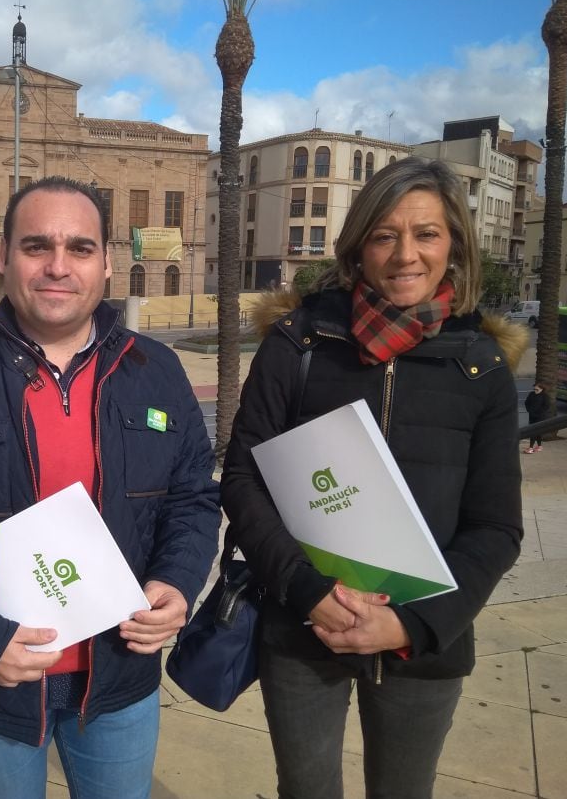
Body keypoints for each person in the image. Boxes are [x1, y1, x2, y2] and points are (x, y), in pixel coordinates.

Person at [0, 176, 220, 799]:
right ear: (3, 257)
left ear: (107, 263)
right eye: (35, 246)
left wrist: (178, 581)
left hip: (118, 675)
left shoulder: (154, 370)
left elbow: (193, 497)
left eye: (79, 248)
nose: (58, 266)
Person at [221, 157, 526, 799]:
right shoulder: (299, 343)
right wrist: (307, 591)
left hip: (425, 638)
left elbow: (495, 528)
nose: (405, 255)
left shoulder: (481, 366)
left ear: (455, 246)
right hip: (304, 626)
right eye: (385, 235)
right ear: (358, 247)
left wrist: (410, 624)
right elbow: (245, 480)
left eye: (427, 234)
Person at [524, 383, 549, 453]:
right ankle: (539, 446)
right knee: (537, 432)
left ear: (541, 389)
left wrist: (539, 413)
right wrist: (529, 410)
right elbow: (526, 402)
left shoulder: (544, 396)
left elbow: (546, 406)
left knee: (534, 431)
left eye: (537, 389)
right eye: (534, 389)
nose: (535, 390)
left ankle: (531, 447)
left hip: (540, 417)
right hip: (532, 416)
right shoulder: (531, 394)